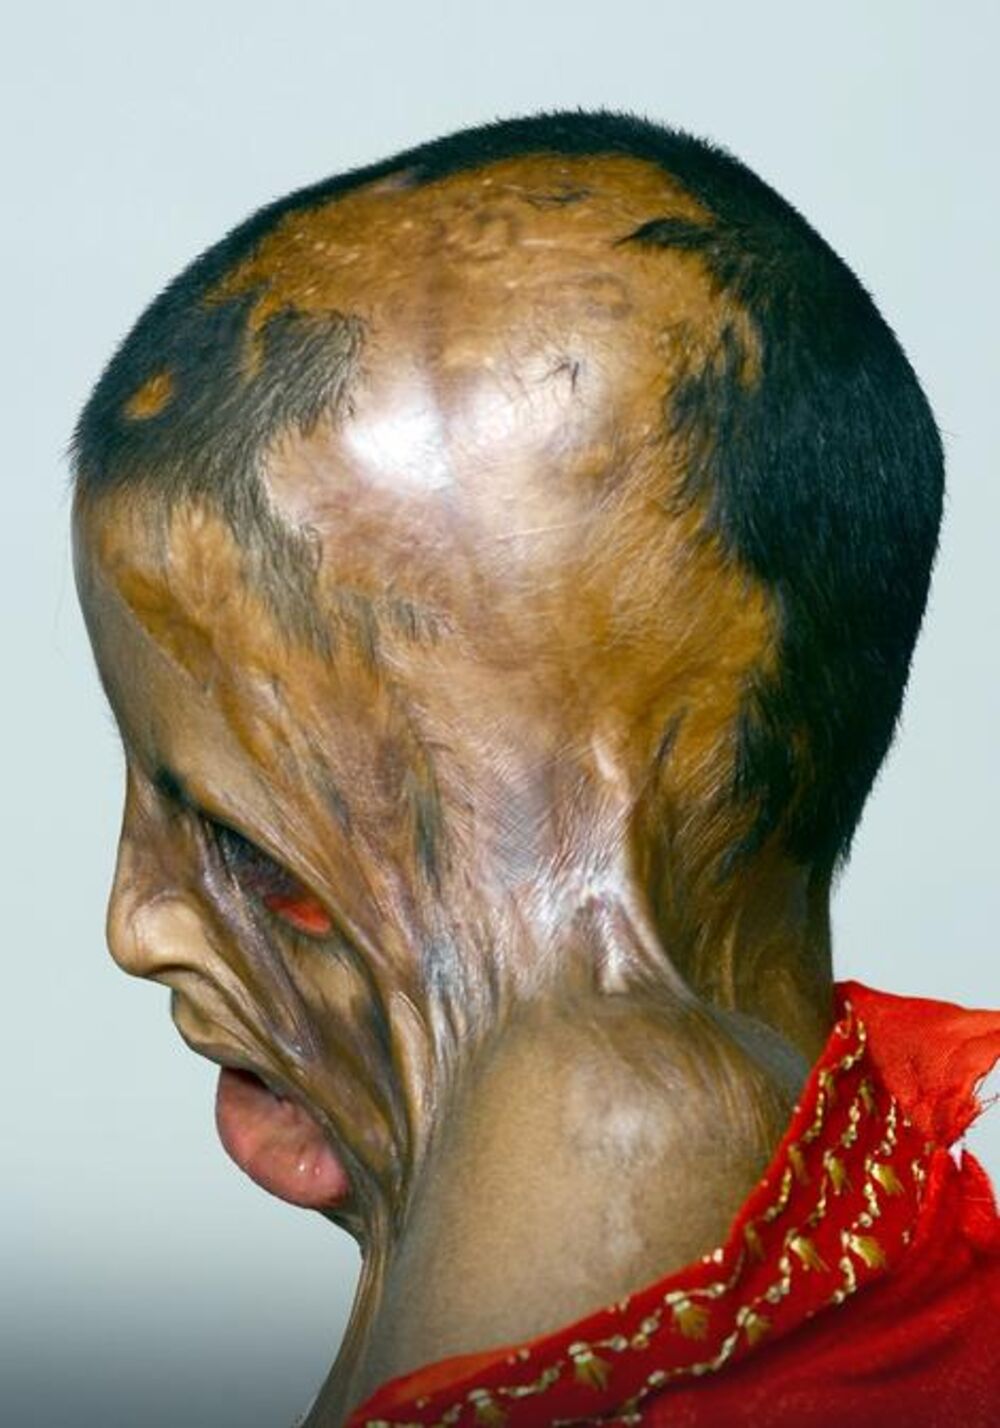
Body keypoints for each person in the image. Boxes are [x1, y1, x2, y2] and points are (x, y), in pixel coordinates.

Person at [72, 111, 999, 1426]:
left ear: (596, 840)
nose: (135, 924)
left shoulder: (612, 1115)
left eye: (243, 846)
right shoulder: (790, 1163)